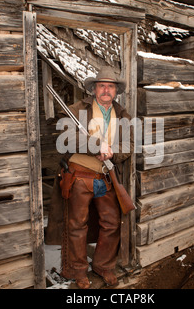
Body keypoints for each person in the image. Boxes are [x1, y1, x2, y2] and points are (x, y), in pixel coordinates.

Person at [45, 66, 133, 289]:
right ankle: (78, 270)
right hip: (79, 177)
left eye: (110, 86)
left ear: (116, 91)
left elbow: (130, 144)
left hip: (105, 178)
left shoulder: (123, 114)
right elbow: (64, 138)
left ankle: (103, 265)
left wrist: (112, 151)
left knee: (112, 222)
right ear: (94, 89)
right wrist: (96, 144)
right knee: (77, 225)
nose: (106, 90)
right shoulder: (76, 109)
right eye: (101, 85)